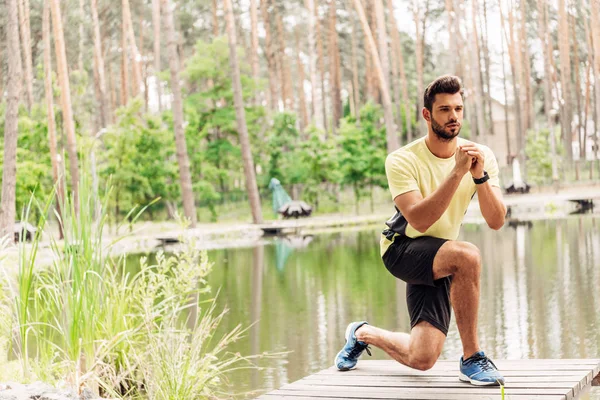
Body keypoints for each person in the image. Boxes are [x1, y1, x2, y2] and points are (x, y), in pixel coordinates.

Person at [334, 75, 507, 386]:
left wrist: (479, 177)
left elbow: (496, 221)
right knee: (467, 255)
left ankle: (361, 333)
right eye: (444, 109)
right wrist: (457, 172)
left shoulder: (481, 155)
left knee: (423, 358)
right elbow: (419, 221)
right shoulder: (401, 160)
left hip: (440, 254)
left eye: (458, 108)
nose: (453, 116)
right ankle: (472, 358)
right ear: (427, 115)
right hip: (401, 249)